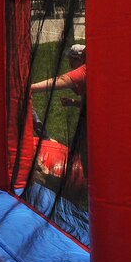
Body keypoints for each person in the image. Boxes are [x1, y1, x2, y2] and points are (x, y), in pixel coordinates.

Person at [30, 44, 88, 180]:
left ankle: (89, 181)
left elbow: (61, 80)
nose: (69, 63)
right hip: (95, 121)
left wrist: (30, 88)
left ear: (79, 60)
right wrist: (73, 102)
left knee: (87, 152)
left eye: (71, 59)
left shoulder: (85, 70)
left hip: (94, 125)